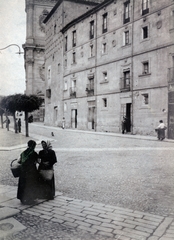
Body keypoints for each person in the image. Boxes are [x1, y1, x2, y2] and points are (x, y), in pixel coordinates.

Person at [17, 140, 39, 205]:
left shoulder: (23, 153)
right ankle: (30, 199)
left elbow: (19, 161)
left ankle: (22, 198)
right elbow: (38, 161)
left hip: (23, 171)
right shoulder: (34, 153)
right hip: (31, 172)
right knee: (30, 184)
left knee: (23, 184)